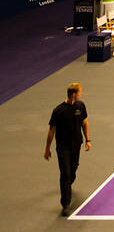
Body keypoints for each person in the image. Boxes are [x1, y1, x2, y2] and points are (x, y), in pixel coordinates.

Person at [44, 82, 91, 217]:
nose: (81, 94)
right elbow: (51, 131)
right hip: (63, 148)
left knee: (72, 172)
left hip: (76, 146)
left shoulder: (80, 106)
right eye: (80, 92)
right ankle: (65, 204)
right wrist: (47, 149)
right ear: (73, 94)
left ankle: (66, 187)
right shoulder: (58, 111)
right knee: (65, 174)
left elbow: (85, 122)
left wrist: (88, 140)